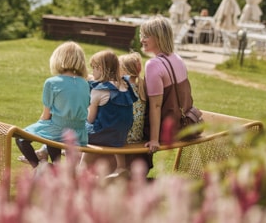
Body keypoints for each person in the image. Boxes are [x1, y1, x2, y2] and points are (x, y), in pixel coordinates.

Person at [15, 41, 90, 168]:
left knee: (20, 138)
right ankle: (56, 166)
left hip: (59, 129)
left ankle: (38, 167)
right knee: (51, 132)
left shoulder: (52, 82)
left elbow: (45, 115)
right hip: (80, 133)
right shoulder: (84, 83)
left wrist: (39, 125)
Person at [139, 15, 198, 169]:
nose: (142, 40)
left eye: (146, 36)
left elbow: (156, 106)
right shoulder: (177, 59)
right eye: (141, 35)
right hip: (184, 126)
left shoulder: (153, 65)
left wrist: (154, 140)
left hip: (167, 131)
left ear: (158, 37)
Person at [81, 50, 138, 175]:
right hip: (121, 135)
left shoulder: (100, 90)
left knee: (79, 128)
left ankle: (81, 167)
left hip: (103, 134)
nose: (92, 72)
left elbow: (90, 119)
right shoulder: (125, 85)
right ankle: (121, 167)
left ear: (100, 69)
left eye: (94, 68)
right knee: (114, 125)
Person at [118, 52, 146, 144]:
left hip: (124, 138)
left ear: (124, 71)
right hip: (137, 137)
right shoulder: (140, 87)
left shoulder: (123, 89)